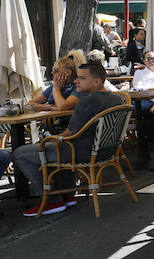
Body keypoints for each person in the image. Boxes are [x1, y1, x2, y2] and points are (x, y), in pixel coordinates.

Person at [14, 63, 123, 217]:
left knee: (20, 153)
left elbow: (67, 135)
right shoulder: (117, 98)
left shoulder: (86, 102)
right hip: (107, 151)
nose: (76, 81)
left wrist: (47, 142)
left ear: (97, 82)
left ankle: (52, 200)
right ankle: (67, 195)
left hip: (81, 153)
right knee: (52, 146)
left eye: (82, 78)